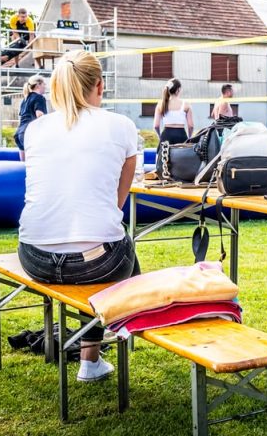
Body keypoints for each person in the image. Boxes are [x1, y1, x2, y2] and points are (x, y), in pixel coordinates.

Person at [17, 50, 141, 381]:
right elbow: (117, 204)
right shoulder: (121, 126)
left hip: (34, 257)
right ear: (99, 85)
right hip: (97, 263)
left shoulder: (35, 130)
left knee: (100, 246)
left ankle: (97, 350)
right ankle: (96, 355)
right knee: (116, 248)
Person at [14, 74, 48, 161]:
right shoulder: (39, 98)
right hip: (29, 133)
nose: (45, 86)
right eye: (44, 84)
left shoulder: (25, 99)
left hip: (19, 133)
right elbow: (40, 116)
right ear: (38, 85)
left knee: (24, 164)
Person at [153, 78, 193, 144]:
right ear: (178, 90)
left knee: (164, 151)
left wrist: (160, 137)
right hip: (181, 136)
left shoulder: (161, 104)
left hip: (166, 136)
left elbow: (156, 126)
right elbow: (191, 126)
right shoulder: (186, 104)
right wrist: (189, 138)